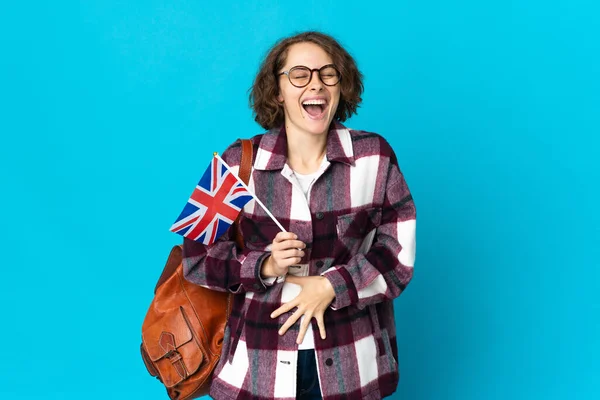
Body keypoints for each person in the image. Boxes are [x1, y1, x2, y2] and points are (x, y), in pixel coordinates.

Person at [182, 31, 416, 400]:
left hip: (352, 366)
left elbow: (397, 254)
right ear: (277, 90)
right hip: (258, 370)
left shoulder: (375, 156)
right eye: (300, 74)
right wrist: (264, 266)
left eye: (328, 73)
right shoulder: (236, 163)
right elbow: (195, 260)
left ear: (342, 85)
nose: (316, 84)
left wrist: (332, 285)